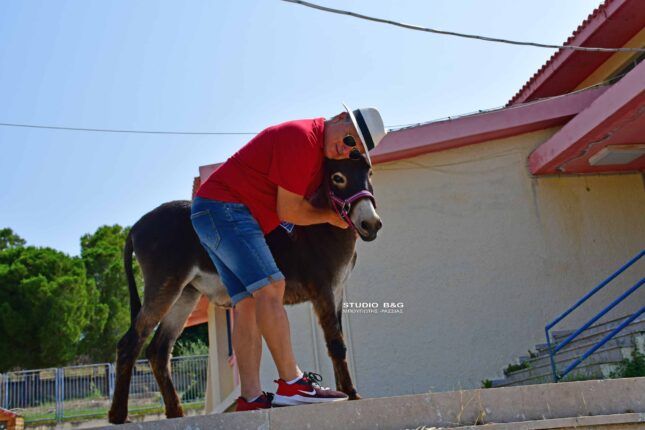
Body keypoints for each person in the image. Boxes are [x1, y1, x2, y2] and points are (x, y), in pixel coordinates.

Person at [191, 104, 386, 411]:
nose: (345, 148)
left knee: (248, 303)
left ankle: (252, 398)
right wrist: (332, 219)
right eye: (349, 138)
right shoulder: (302, 139)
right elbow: (289, 210)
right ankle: (292, 384)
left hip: (215, 211)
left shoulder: (316, 154)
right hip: (227, 210)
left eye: (354, 149)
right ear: (338, 118)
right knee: (271, 287)